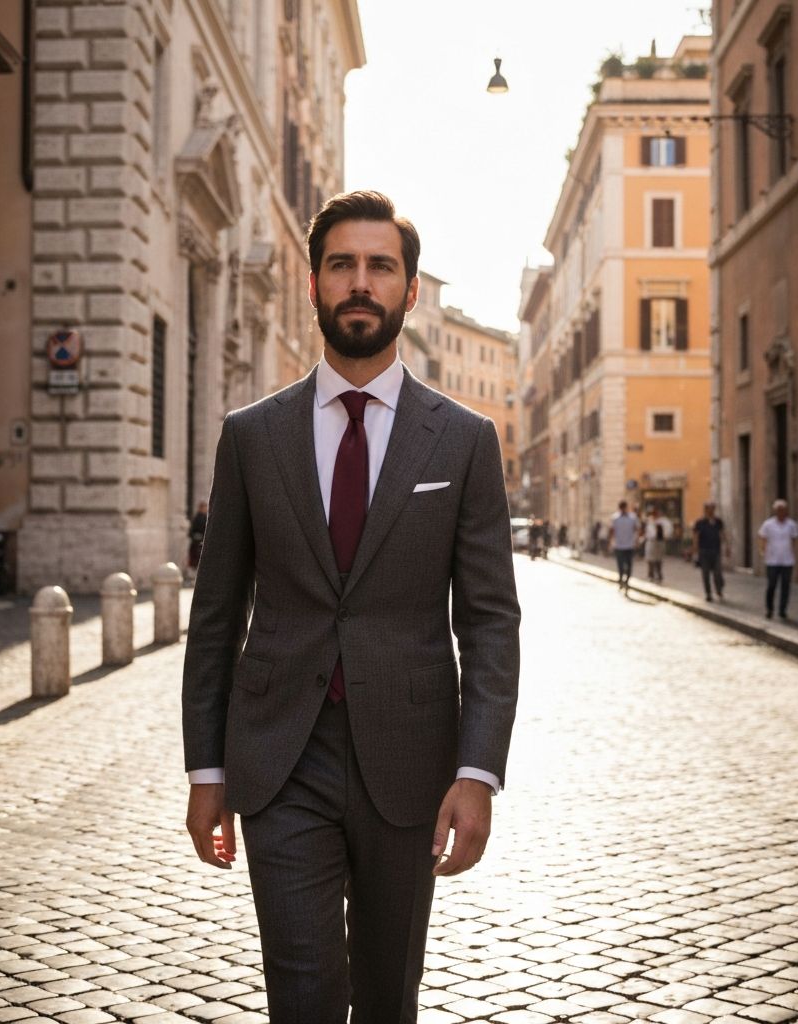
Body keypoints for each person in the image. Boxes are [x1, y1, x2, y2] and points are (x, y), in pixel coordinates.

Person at [181, 190, 520, 1024]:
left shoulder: (465, 440)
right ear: (313, 284)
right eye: (342, 265)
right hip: (280, 757)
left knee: (386, 992)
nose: (359, 283)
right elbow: (217, 612)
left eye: (380, 266)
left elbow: (489, 621)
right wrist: (206, 769)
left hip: (410, 761)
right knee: (300, 992)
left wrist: (477, 773)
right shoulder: (252, 436)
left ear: (408, 290)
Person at [758, 499, 798, 620]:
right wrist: (762, 551)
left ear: (786, 511)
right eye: (779, 510)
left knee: (786, 586)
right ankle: (769, 608)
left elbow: (795, 540)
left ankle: (783, 610)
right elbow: (762, 537)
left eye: (783, 510)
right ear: (775, 511)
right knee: (771, 585)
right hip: (772, 560)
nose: (781, 512)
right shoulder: (768, 524)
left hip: (787, 560)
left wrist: (794, 553)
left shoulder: (791, 524)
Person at [692, 501, 729, 602]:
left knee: (718, 572)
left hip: (716, 550)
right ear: (705, 510)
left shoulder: (718, 522)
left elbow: (722, 534)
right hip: (704, 551)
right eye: (708, 508)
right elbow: (696, 536)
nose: (710, 510)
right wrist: (695, 550)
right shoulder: (700, 522)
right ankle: (708, 593)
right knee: (705, 573)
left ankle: (719, 589)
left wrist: (727, 546)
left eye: (712, 508)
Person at [609, 499, 640, 591]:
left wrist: (636, 540)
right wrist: (611, 542)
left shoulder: (632, 518)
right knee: (620, 564)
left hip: (629, 545)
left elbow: (637, 529)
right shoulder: (615, 518)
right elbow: (612, 531)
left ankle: (626, 581)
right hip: (619, 545)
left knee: (629, 564)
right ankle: (621, 579)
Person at [186, 500, 208, 576]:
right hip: (197, 543)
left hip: (201, 542)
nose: (206, 509)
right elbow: (191, 532)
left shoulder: (204, 517)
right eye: (205, 507)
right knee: (195, 561)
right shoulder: (198, 518)